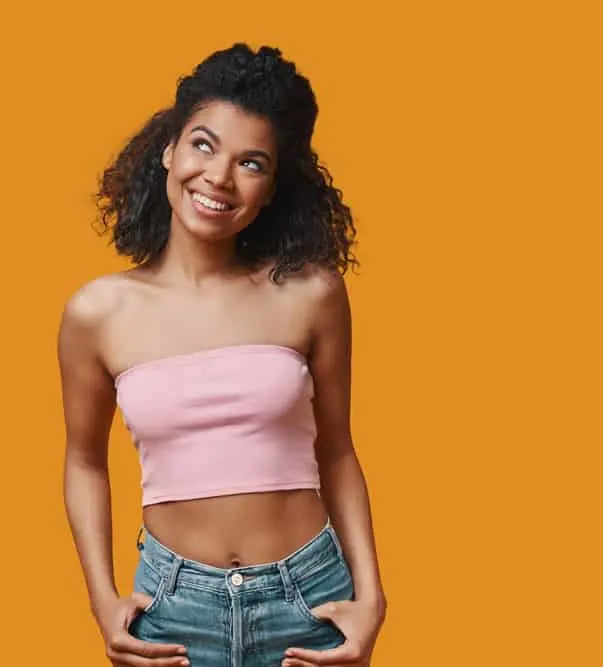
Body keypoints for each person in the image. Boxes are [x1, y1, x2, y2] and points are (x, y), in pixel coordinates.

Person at [58, 43, 387, 667]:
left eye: (251, 162)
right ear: (169, 151)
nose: (218, 177)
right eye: (203, 145)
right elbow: (83, 462)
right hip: (173, 613)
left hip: (308, 601)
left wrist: (372, 598)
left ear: (271, 188)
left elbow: (338, 448)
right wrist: (101, 598)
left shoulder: (310, 292)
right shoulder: (98, 313)